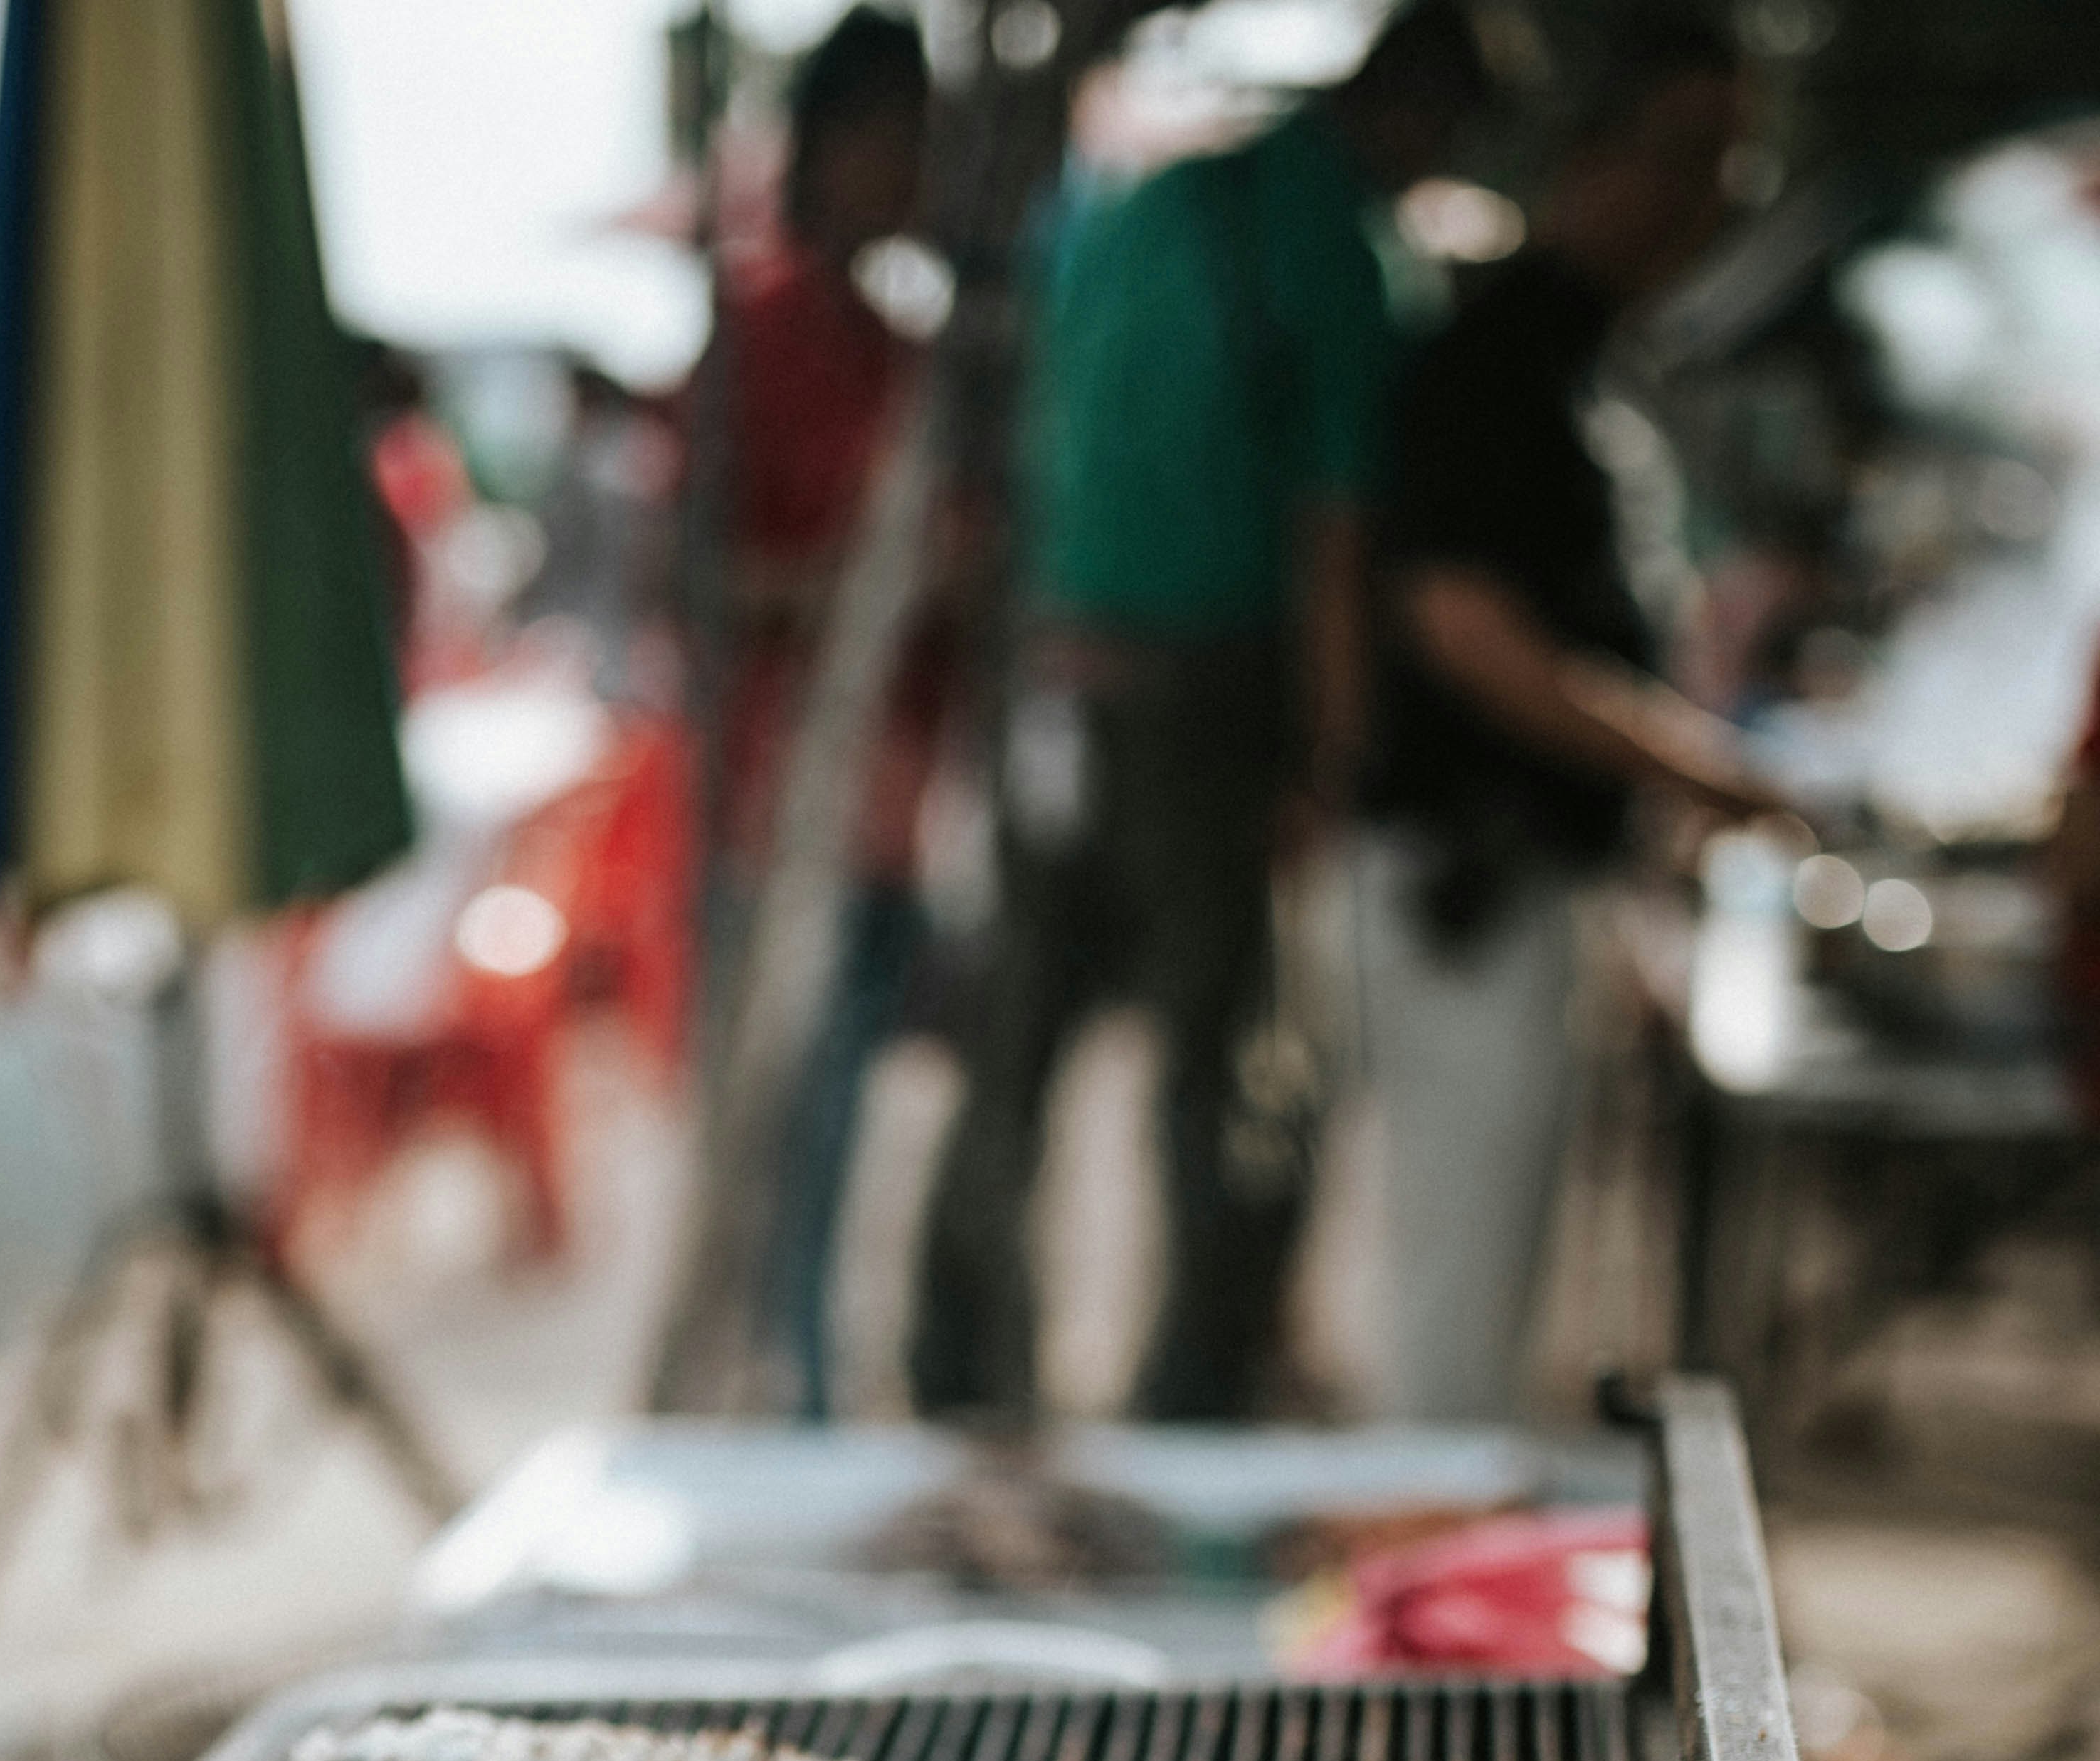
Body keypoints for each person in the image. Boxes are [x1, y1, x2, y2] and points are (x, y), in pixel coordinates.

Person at [909, 2, 1494, 1427]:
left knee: (1024, 1041)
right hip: (1203, 683)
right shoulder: (1326, 245)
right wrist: (1334, 757)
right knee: (1228, 1066)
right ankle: (1193, 1391)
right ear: (1412, 113)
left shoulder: (1142, 204)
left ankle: (965, 1368)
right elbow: (1333, 526)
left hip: (1059, 668)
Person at [1354, 11, 1793, 1421]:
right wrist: (1688, 764)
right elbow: (1461, 627)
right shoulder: (1495, 353)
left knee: (1502, 1300)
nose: (1704, 195)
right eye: (1682, 153)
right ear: (1590, 153)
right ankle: (1430, 1618)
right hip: (1457, 879)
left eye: (1730, 160)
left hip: (1536, 883)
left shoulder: (1593, 357)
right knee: (1454, 1309)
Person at [701, 5, 953, 1417]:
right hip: (777, 806)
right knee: (778, 1153)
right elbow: (707, 574)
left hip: (894, 814)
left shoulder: (907, 346)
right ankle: (784, 1408)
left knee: (854, 1146)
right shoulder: (761, 334)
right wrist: (864, 586)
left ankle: (820, 1398)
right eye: (894, 141)